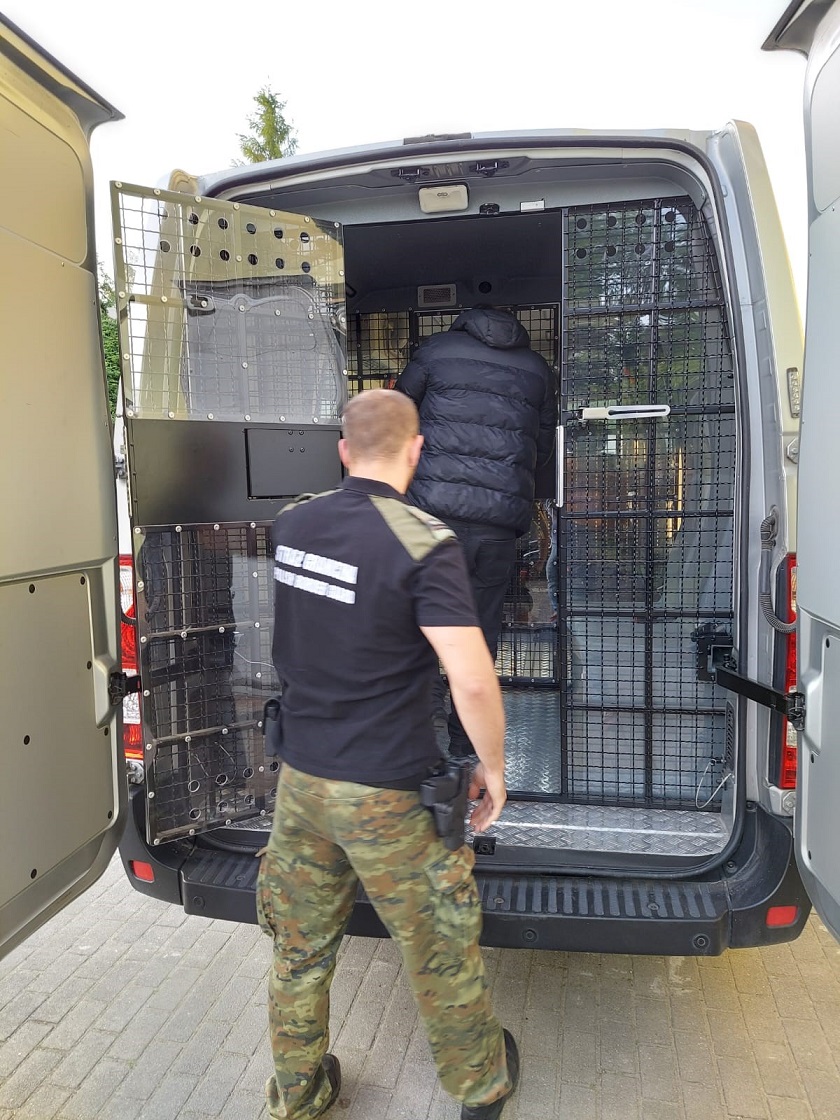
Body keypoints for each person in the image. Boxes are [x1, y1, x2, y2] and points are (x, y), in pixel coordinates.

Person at [257, 389, 520, 1120]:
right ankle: (480, 1089)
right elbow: (471, 677)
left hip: (302, 781)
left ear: (344, 450)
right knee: (439, 947)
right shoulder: (424, 542)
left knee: (298, 950)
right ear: (417, 450)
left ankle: (299, 1097)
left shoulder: (293, 524)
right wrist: (493, 767)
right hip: (388, 792)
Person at [395, 306, 557, 757]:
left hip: (428, 518)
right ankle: (466, 747)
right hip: (497, 523)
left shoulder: (435, 352)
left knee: (417, 623)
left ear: (462, 324)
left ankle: (417, 735)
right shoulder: (537, 370)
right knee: (480, 632)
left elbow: (397, 417)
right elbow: (543, 447)